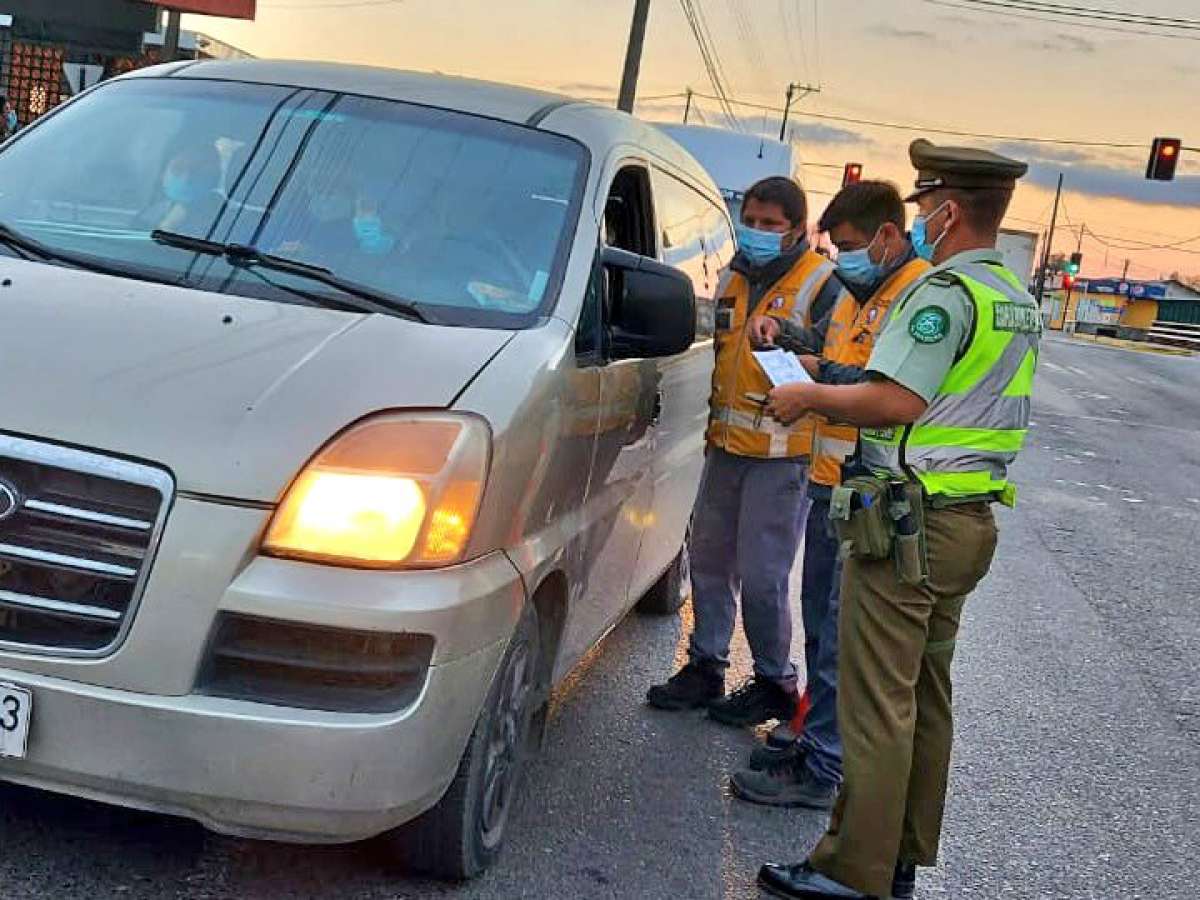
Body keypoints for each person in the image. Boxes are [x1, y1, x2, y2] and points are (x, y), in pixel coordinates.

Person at [755, 140, 1038, 900]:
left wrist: (808, 395)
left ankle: (855, 871)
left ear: (946, 210)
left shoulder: (944, 295)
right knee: (925, 694)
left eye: (924, 208)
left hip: (911, 522)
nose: (919, 223)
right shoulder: (1013, 297)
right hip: (967, 520)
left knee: (877, 699)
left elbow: (897, 401)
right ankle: (904, 852)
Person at [728, 181, 930, 812]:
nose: (841, 259)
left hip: (872, 489)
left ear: (887, 238)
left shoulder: (916, 297)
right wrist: (784, 333)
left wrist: (815, 385)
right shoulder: (854, 291)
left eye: (848, 247)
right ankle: (813, 737)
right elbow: (822, 344)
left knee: (845, 636)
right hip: (830, 483)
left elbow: (888, 389)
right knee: (821, 621)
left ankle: (823, 768)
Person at [646, 176, 849, 728]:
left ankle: (774, 680)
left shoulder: (824, 283)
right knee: (709, 561)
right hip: (727, 447)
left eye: (770, 225)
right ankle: (706, 666)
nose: (756, 233)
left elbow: (840, 362)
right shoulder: (735, 275)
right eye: (751, 221)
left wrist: (787, 335)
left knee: (763, 575)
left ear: (797, 231)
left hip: (784, 455)